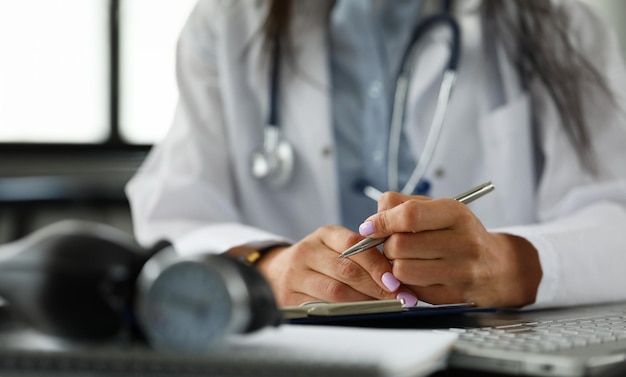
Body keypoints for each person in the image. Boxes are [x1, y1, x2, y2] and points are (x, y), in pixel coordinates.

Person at [126, 0, 626, 310]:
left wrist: (507, 264)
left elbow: (617, 222)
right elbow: (178, 214)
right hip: (298, 353)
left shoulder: (560, 20)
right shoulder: (230, 21)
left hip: (492, 344)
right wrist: (270, 267)